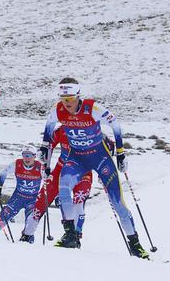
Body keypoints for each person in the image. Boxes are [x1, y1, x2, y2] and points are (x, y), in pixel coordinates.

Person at [41, 78, 148, 258]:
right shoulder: (57, 110)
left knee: (118, 203)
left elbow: (115, 124)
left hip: (100, 158)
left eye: (70, 98)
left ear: (78, 96)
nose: (67, 103)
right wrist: (46, 158)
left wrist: (120, 153)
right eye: (63, 98)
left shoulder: (93, 108)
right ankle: (70, 235)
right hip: (77, 158)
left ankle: (135, 245)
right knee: (64, 186)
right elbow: (48, 133)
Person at [20, 127, 95, 243]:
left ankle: (74, 237)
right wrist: (46, 165)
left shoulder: (91, 128)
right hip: (61, 170)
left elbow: (104, 151)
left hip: (83, 172)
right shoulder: (61, 130)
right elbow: (48, 146)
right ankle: (27, 235)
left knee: (78, 203)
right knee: (41, 203)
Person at [0, 145, 43, 240]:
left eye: (29, 155)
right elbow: (3, 173)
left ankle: (27, 237)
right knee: (6, 213)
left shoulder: (40, 167)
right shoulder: (17, 164)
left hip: (33, 199)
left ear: (34, 156)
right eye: (24, 155)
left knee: (31, 219)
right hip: (18, 196)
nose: (26, 158)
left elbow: (50, 179)